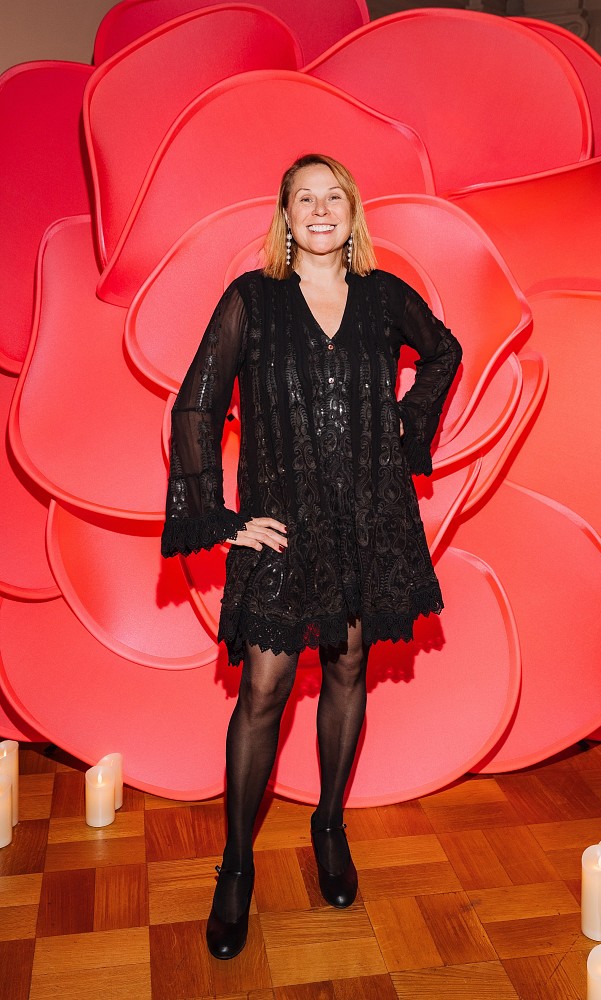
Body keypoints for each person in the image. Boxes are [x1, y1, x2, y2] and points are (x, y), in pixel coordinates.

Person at [161, 153, 463, 960]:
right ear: (286, 217)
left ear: (351, 213)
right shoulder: (252, 300)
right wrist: (221, 520)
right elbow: (195, 407)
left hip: (366, 519)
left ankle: (329, 824)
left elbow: (443, 352)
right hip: (284, 526)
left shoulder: (383, 296)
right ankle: (236, 866)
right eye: (305, 198)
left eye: (334, 197)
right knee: (262, 689)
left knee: (347, 667)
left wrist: (405, 429)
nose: (321, 210)